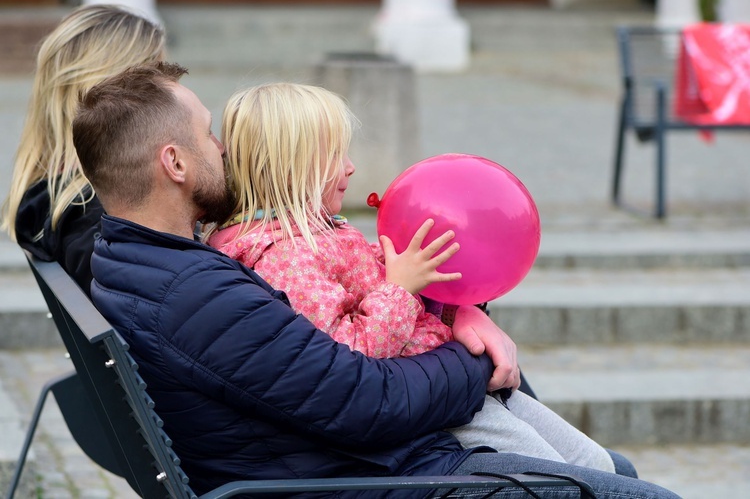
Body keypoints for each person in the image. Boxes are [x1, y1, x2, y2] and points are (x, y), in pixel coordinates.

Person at [71, 61, 679, 498]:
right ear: (173, 163)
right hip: (383, 468)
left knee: (609, 469)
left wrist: (461, 311)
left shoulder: (167, 265)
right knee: (617, 487)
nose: (225, 150)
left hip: (375, 454)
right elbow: (363, 395)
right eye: (208, 134)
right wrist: (470, 356)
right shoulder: (207, 287)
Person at [206, 82, 614, 472]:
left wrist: (456, 309)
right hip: (434, 406)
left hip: (453, 381)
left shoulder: (321, 230)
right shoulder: (284, 258)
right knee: (566, 481)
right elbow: (348, 356)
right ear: (289, 168)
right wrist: (401, 287)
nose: (351, 167)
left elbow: (391, 298)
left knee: (595, 464)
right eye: (335, 155)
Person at [0, 4, 165, 294]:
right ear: (113, 98)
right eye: (159, 79)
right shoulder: (100, 218)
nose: (171, 93)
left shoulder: (59, 201)